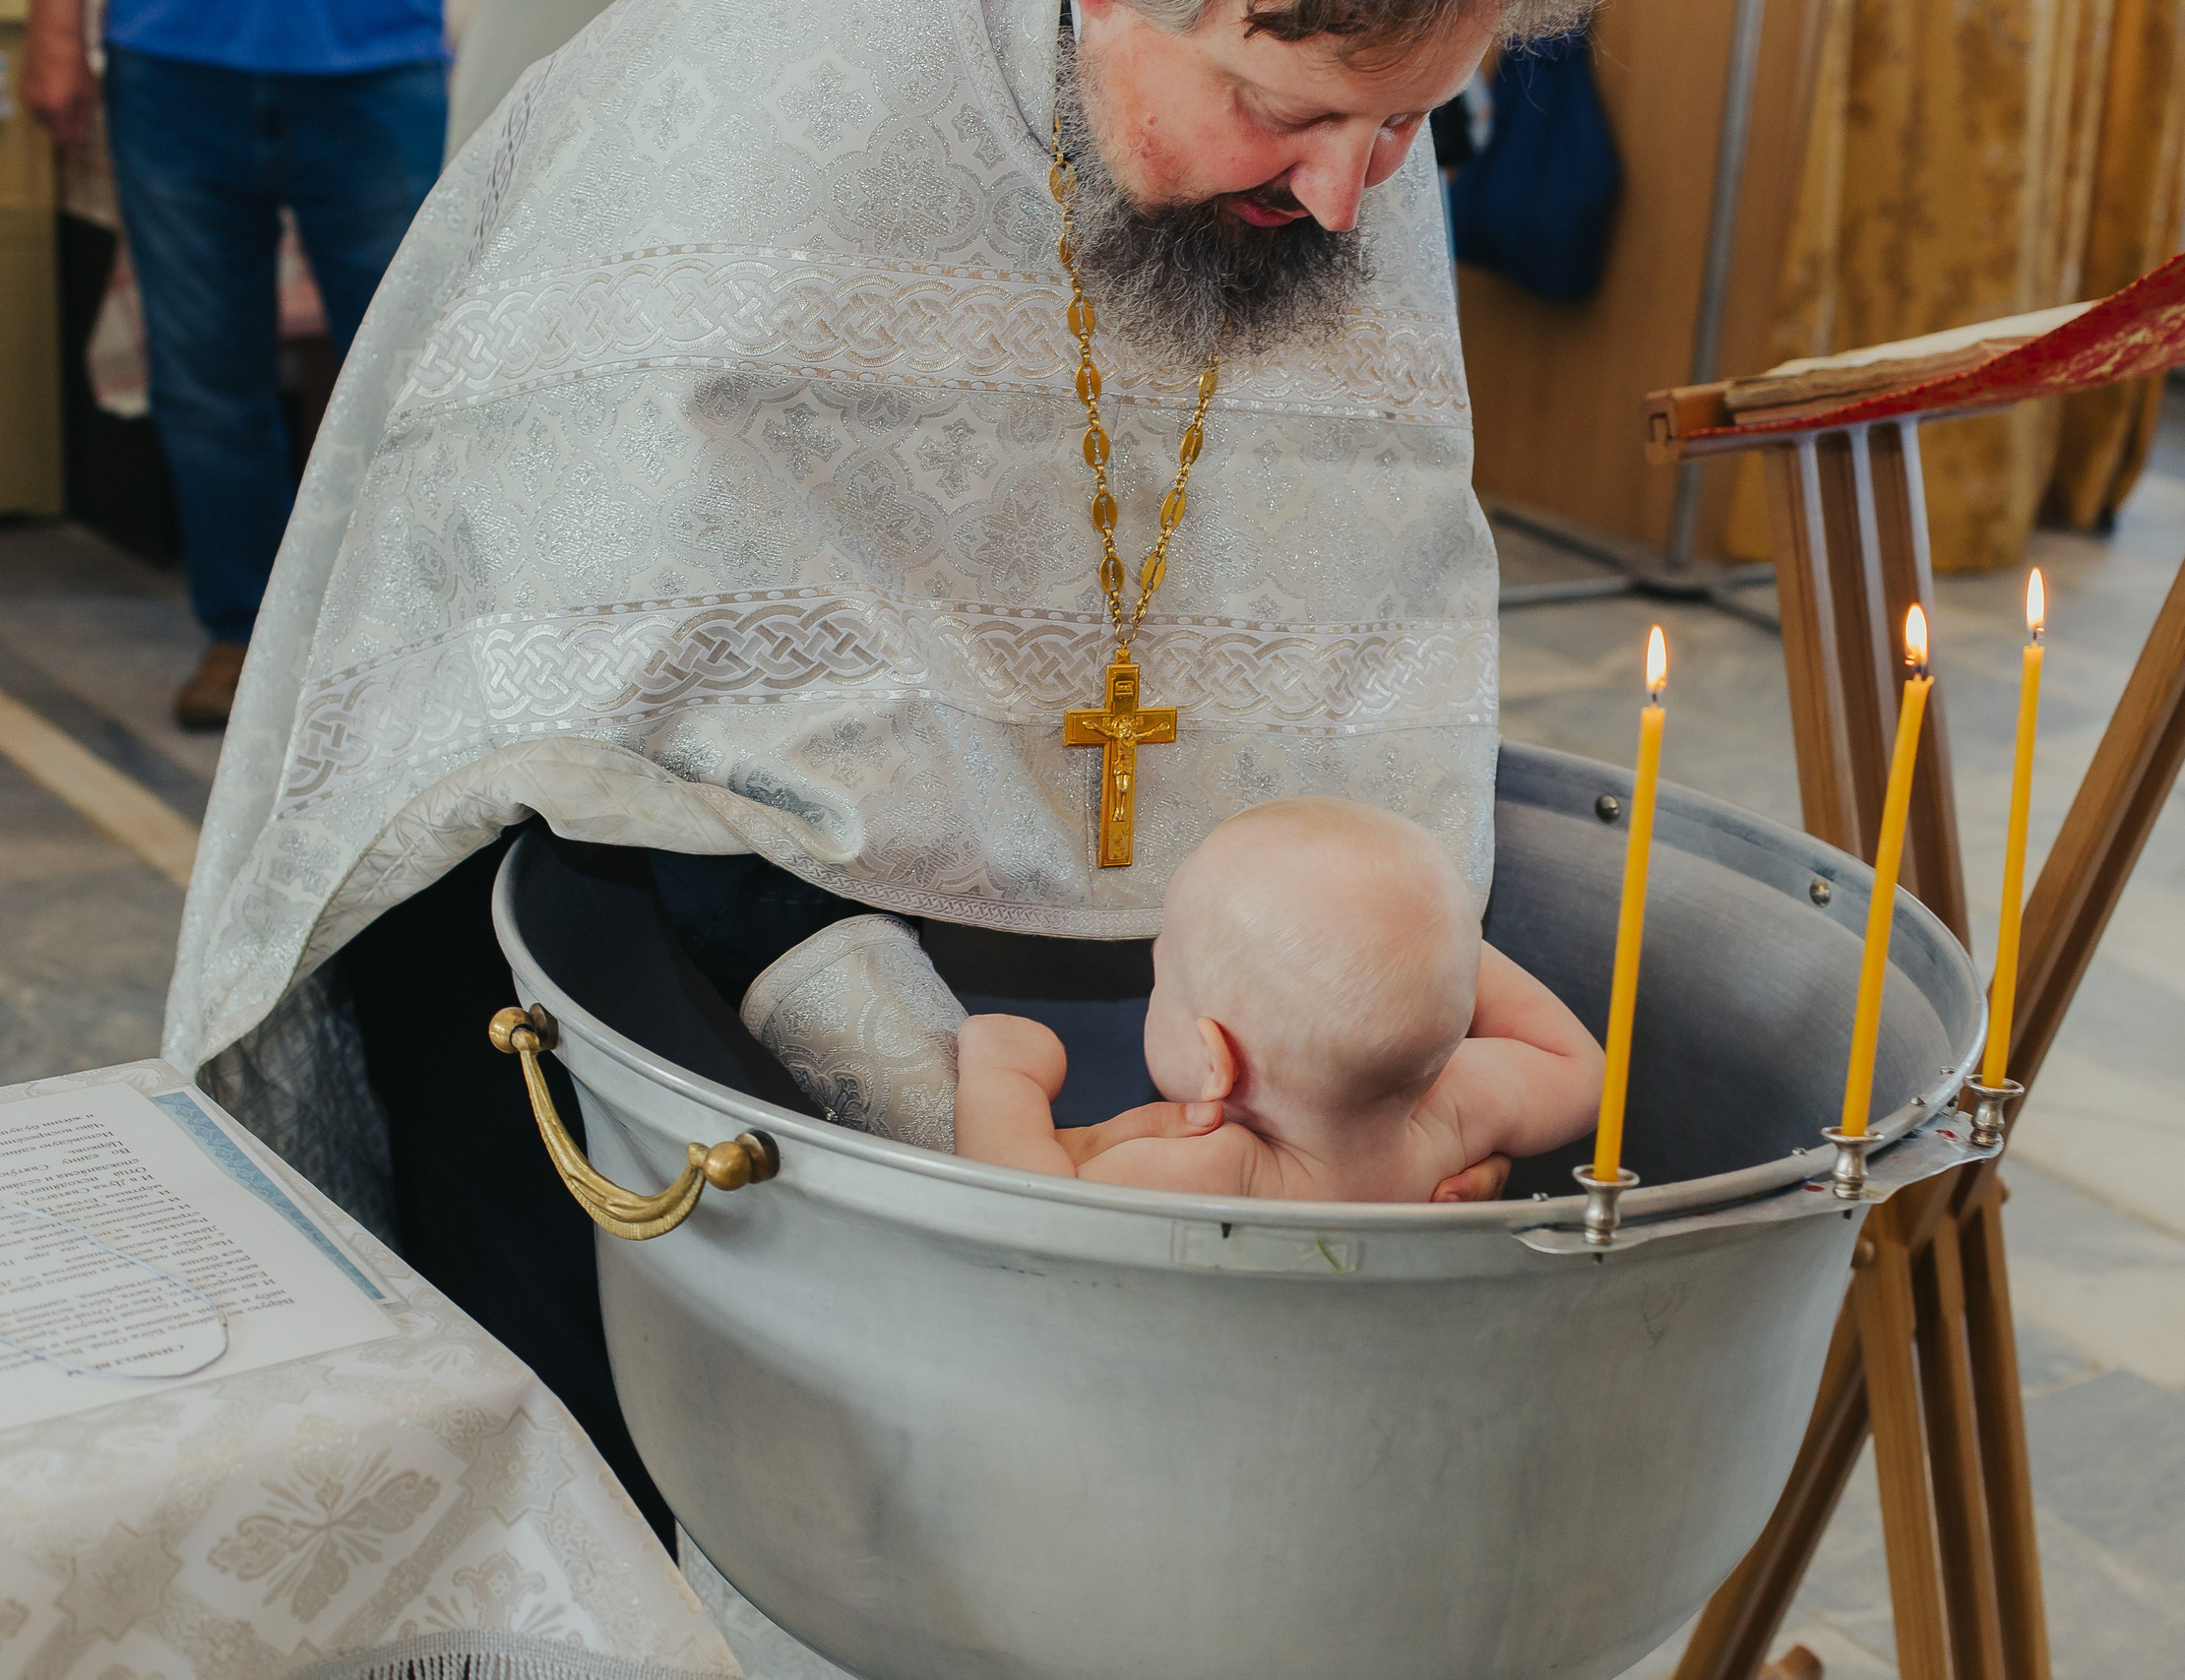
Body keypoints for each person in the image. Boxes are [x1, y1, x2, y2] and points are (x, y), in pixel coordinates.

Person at [161, 0, 1596, 1542]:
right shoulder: (759, 101)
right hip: (624, 955)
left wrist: (1366, 1010)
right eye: (1283, 111)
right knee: (643, 1516)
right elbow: (628, 684)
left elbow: (1357, 605)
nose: (1343, 198)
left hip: (1106, 1054)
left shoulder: (1340, 115)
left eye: (1404, 127)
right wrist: (963, 1137)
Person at [21, 0, 448, 729]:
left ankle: (418, 635)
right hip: (173, 60)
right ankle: (244, 634)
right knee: (204, 382)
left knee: (414, 381)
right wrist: (55, 32)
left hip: (372, 58)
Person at [956, 798, 1604, 1199]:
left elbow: (1024, 1214)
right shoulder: (1452, 1118)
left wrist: (1001, 1077)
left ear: (1218, 1062)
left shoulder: (1220, 1172)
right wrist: (1429, 951)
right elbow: (1581, 1067)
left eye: (1162, 978)